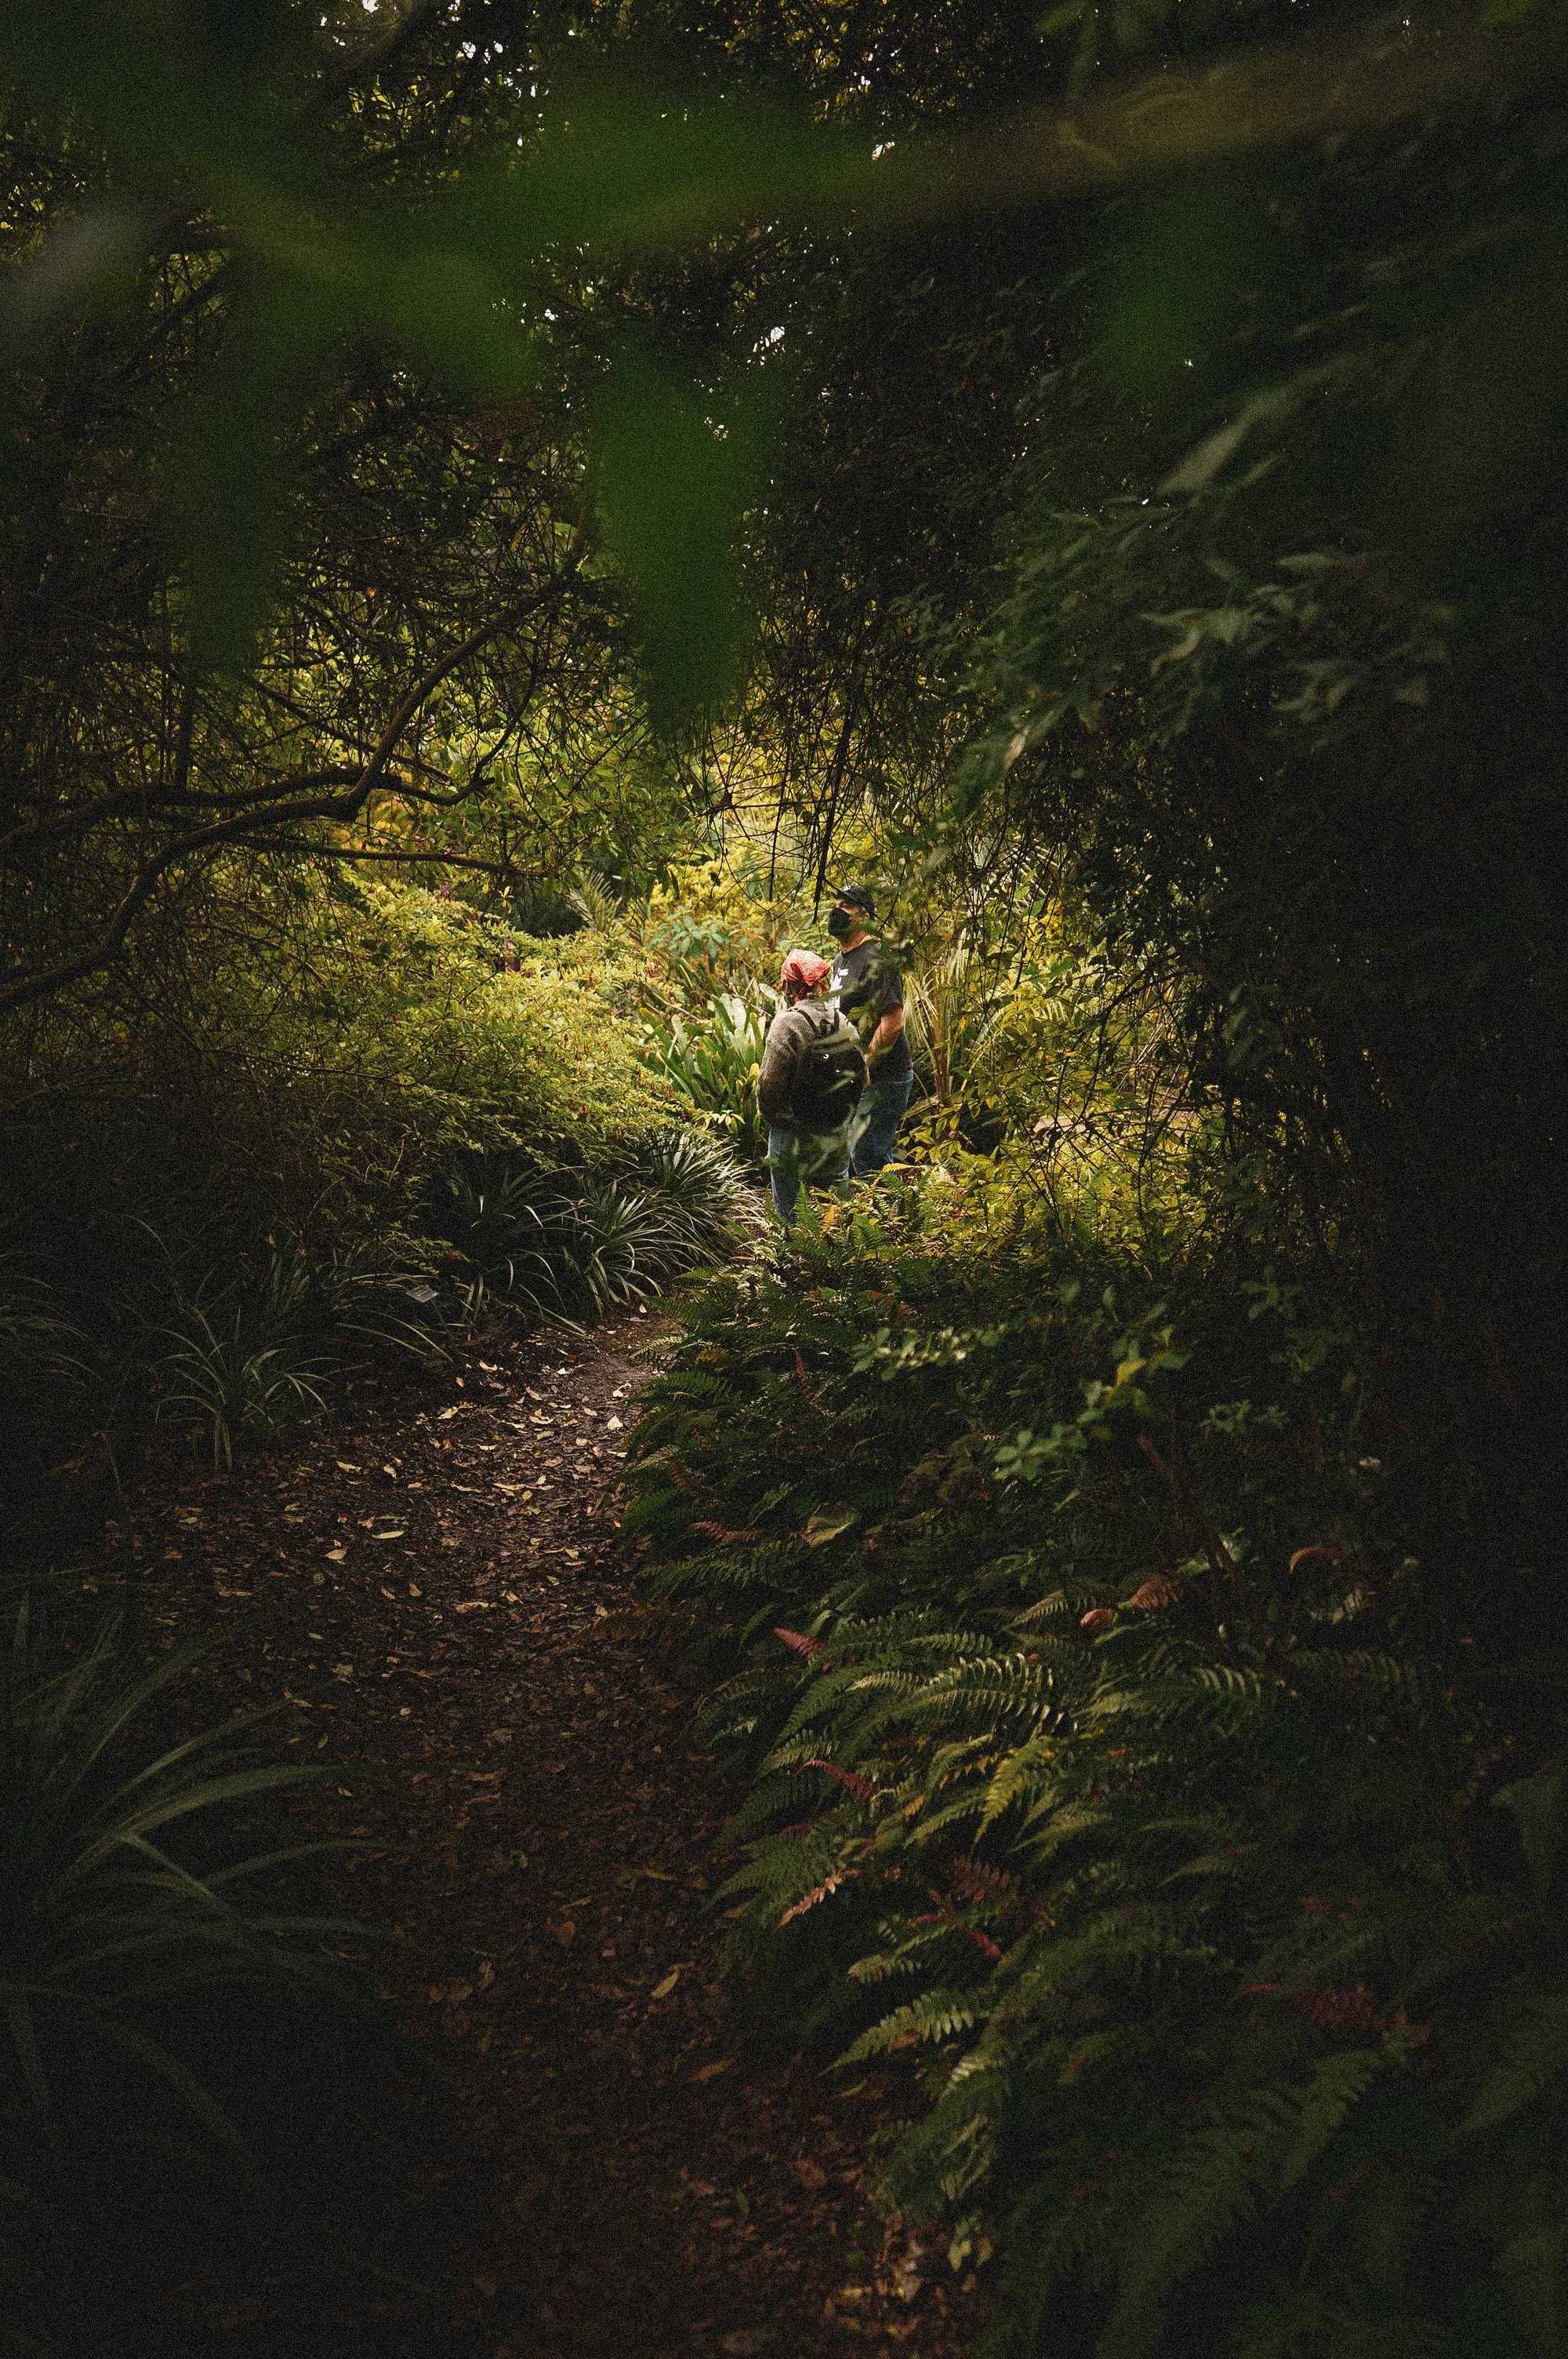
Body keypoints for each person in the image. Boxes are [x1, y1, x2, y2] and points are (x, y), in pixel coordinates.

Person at [756, 949, 867, 1224]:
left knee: (791, 1216)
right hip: (835, 1133)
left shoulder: (787, 1024)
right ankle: (844, 1262)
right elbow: (862, 1078)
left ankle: (794, 1264)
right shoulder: (843, 1023)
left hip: (792, 1132)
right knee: (838, 1214)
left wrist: (774, 1120)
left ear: (789, 986)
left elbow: (769, 1084)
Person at [826, 885, 913, 1179]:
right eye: (836, 904)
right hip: (857, 1081)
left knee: (866, 1155)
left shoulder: (878, 956)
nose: (836, 911)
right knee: (854, 1158)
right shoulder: (840, 961)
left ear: (864, 916)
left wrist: (865, 1064)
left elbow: (893, 1022)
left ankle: (894, 1221)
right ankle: (874, 1219)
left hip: (884, 1076)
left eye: (846, 907)